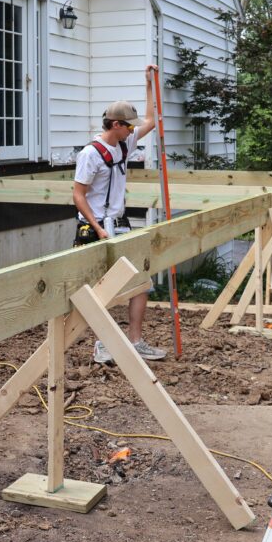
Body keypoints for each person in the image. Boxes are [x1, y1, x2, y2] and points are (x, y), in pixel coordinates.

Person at [72, 65, 167, 365]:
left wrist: (149, 84)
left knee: (142, 282)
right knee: (105, 289)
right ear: (115, 124)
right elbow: (78, 195)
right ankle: (103, 345)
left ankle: (135, 341)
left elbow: (151, 120)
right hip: (96, 226)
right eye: (128, 126)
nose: (132, 129)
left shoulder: (125, 142)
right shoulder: (90, 154)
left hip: (119, 223)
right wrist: (97, 228)